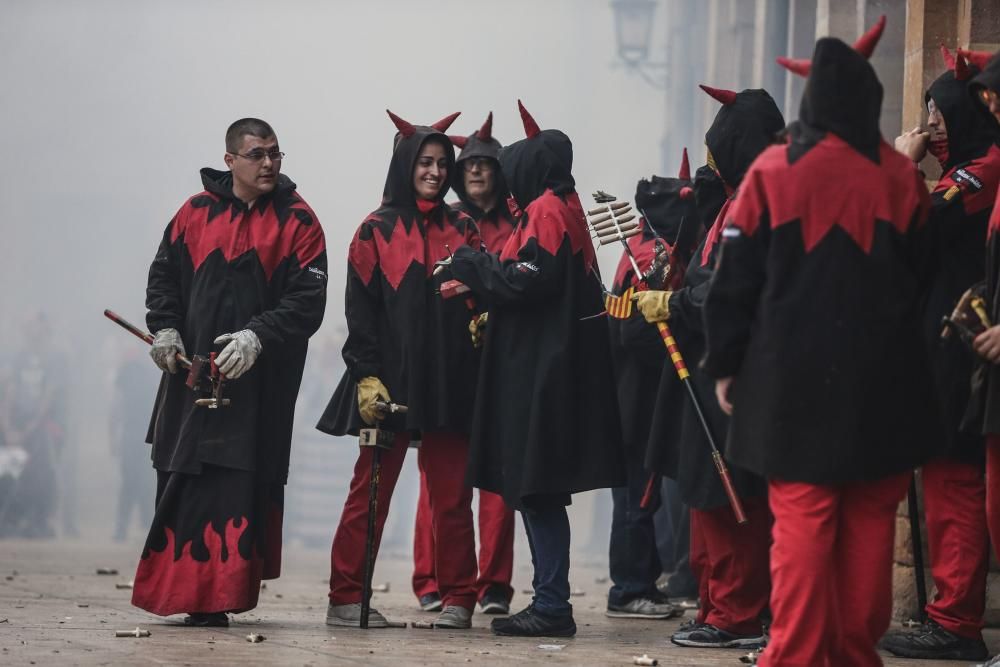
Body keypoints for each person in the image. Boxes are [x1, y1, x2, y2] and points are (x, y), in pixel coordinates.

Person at [702, 20, 940, 666]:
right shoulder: (900, 178)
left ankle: (797, 656)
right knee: (866, 537)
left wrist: (726, 364)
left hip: (791, 385)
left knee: (803, 529)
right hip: (884, 391)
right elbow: (923, 279)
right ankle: (855, 655)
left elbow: (734, 283)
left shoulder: (771, 172)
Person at [133, 118, 327, 627]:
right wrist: (166, 329)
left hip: (257, 389)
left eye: (276, 154)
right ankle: (181, 592)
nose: (269, 163)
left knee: (237, 487)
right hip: (188, 378)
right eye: (257, 154)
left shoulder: (299, 221)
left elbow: (309, 301)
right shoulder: (192, 213)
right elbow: (163, 278)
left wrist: (258, 335)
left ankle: (217, 598)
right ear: (230, 160)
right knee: (182, 479)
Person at [447, 100, 626, 637]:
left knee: (537, 490)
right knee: (538, 490)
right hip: (555, 369)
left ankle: (552, 604)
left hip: (543, 376)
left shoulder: (547, 209)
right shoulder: (559, 208)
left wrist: (470, 263)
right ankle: (551, 599)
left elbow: (528, 278)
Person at [316, 110, 481, 630]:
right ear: (406, 163)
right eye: (425, 162)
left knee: (453, 497)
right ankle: (346, 597)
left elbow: (483, 298)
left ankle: (458, 599)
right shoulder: (373, 230)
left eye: (442, 163)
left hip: (451, 381)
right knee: (370, 491)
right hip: (385, 383)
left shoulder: (465, 228)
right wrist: (366, 374)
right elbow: (359, 313)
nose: (435, 171)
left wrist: (483, 320)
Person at [636, 83, 785, 650]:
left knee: (731, 499)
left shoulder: (757, 200)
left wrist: (673, 303)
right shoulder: (730, 199)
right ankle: (717, 604)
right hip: (708, 365)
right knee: (707, 494)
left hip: (735, 370)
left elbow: (726, 288)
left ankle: (736, 614)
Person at [880, 46, 1000, 663]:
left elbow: (921, 217)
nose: (931, 126)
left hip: (967, 347)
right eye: (927, 112)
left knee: (956, 483)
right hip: (940, 341)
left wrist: (904, 166)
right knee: (942, 480)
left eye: (941, 112)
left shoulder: (986, 167)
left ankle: (955, 620)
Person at [410, 112, 517, 616]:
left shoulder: (519, 223)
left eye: (485, 164)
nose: (475, 171)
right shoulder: (441, 221)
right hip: (446, 364)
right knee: (438, 473)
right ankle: (430, 578)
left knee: (498, 473)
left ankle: (494, 583)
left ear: (498, 169)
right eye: (468, 163)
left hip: (500, 361)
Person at [604, 151, 699, 621]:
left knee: (647, 493)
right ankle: (627, 588)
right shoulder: (651, 257)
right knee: (636, 497)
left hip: (640, 396)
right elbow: (633, 332)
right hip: (635, 397)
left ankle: (645, 577)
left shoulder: (653, 248)